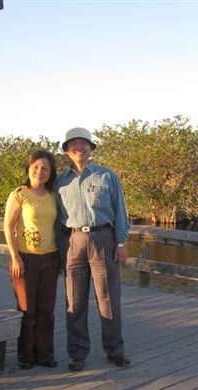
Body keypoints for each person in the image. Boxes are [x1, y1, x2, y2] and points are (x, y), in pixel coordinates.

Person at [56, 127, 131, 371]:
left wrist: (120, 242)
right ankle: (77, 354)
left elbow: (120, 212)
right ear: (67, 150)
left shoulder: (107, 176)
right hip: (73, 241)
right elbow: (56, 219)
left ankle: (115, 350)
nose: (79, 147)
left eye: (84, 143)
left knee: (108, 299)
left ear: (91, 148)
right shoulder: (59, 182)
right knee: (74, 302)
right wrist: (60, 250)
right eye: (74, 144)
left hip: (103, 239)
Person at [4, 150, 60, 369]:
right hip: (25, 259)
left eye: (45, 168)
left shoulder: (54, 195)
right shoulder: (19, 194)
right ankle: (26, 356)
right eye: (36, 167)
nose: (40, 171)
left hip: (51, 258)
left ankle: (45, 354)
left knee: (46, 310)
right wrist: (15, 257)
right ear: (28, 169)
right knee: (27, 310)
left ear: (51, 172)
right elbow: (8, 227)